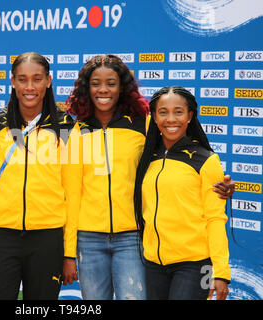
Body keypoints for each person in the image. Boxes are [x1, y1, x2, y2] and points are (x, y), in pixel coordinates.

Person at [64, 55, 234, 300]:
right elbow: (70, 192)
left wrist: (224, 186)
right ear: (85, 88)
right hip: (88, 240)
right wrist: (69, 252)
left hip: (132, 238)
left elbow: (178, 162)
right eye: (96, 83)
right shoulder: (75, 131)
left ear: (122, 87)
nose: (103, 89)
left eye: (111, 83)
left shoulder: (143, 124)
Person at [0, 52, 81, 300]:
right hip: (3, 236)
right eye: (22, 79)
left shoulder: (67, 125)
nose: (29, 87)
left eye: (37, 79)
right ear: (12, 81)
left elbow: (72, 192)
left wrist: (69, 253)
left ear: (48, 81)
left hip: (47, 239)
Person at [133, 86, 231, 300]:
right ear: (155, 117)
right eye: (163, 112)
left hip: (194, 265)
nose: (170, 119)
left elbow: (215, 218)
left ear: (189, 116)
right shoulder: (148, 158)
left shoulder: (206, 160)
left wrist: (221, 272)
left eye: (178, 112)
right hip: (152, 264)